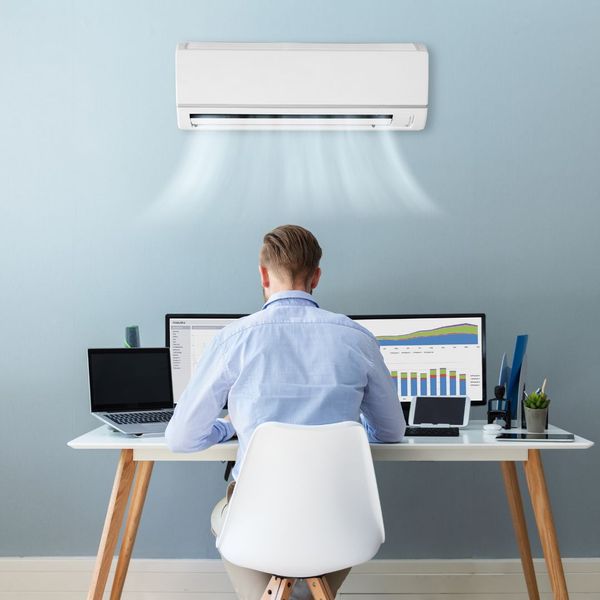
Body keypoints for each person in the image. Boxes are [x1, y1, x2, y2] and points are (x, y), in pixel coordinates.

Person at [165, 224, 405, 600]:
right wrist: (349, 429)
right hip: (340, 520)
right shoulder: (356, 338)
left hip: (258, 523)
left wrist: (227, 429)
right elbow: (392, 431)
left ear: (263, 274)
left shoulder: (234, 338)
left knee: (230, 517)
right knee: (319, 548)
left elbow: (180, 439)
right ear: (316, 277)